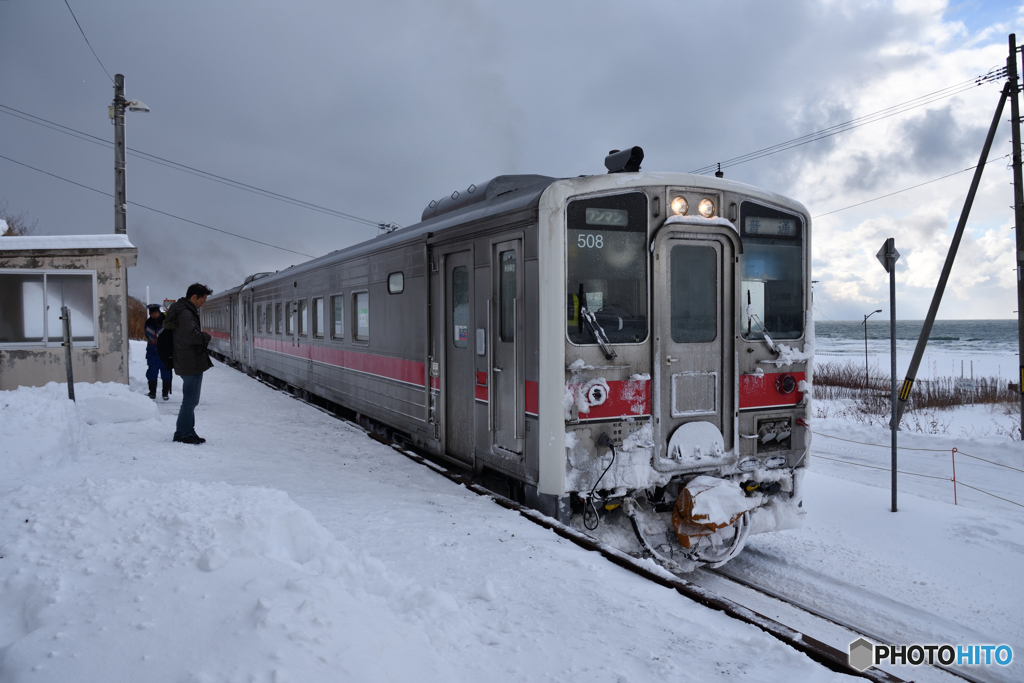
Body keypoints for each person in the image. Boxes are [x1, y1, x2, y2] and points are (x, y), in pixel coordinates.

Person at [163, 283, 214, 445]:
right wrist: (206, 336)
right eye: (202, 300)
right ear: (194, 297)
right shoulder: (185, 313)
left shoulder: (185, 310)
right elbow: (191, 336)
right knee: (190, 400)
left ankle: (188, 431)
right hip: (188, 360)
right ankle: (182, 433)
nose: (202, 304)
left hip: (190, 360)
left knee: (192, 400)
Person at [144, 304, 172, 400]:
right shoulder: (147, 324)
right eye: (152, 313)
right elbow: (148, 336)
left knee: (165, 371)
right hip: (152, 351)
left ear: (159, 312)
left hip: (164, 351)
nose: (154, 315)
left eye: (155, 312)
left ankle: (165, 394)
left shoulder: (166, 323)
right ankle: (152, 393)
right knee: (152, 371)